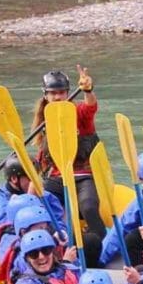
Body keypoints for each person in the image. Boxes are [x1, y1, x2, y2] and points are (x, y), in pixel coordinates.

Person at [33, 66, 106, 241]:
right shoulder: (44, 122)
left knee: (88, 207)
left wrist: (88, 90)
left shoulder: (78, 113)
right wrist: (31, 193)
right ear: (46, 95)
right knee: (41, 208)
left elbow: (90, 107)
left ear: (67, 93)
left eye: (61, 92)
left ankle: (100, 242)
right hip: (57, 179)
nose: (58, 97)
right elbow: (42, 160)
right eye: (53, 93)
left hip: (83, 176)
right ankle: (55, 243)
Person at [0, 154, 65, 231]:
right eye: (31, 178)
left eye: (37, 176)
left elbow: (60, 224)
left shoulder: (46, 196)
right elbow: (3, 224)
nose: (35, 182)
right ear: (14, 179)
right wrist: (30, 199)